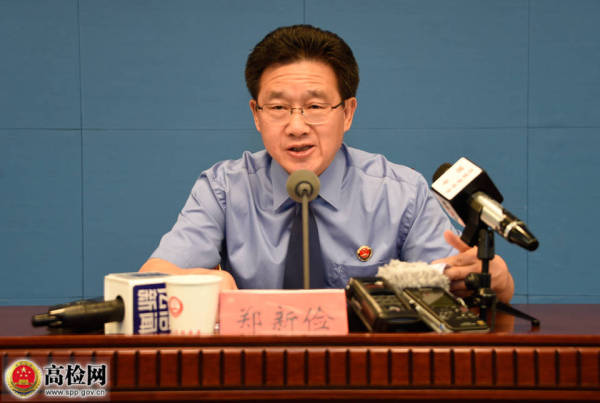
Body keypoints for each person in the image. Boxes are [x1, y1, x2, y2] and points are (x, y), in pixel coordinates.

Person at [139, 25, 514, 303]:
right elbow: (149, 279)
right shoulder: (224, 188)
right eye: (278, 107)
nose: (296, 126)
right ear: (256, 114)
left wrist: (494, 280)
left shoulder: (401, 193)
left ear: (347, 112)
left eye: (315, 106)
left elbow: (458, 283)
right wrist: (199, 283)